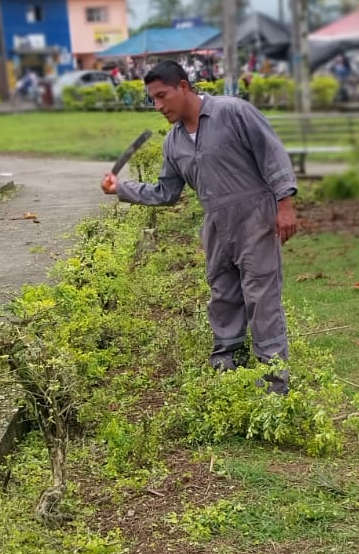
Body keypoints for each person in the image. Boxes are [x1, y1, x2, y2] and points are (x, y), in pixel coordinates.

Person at [100, 61, 298, 393]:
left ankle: (275, 383)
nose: (158, 106)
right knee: (223, 294)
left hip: (255, 219)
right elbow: (166, 192)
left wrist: (285, 203)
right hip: (215, 224)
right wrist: (121, 189)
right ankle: (227, 368)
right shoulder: (173, 142)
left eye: (162, 96)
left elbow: (272, 154)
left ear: (183, 86)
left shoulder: (233, 112)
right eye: (152, 99)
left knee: (261, 298)